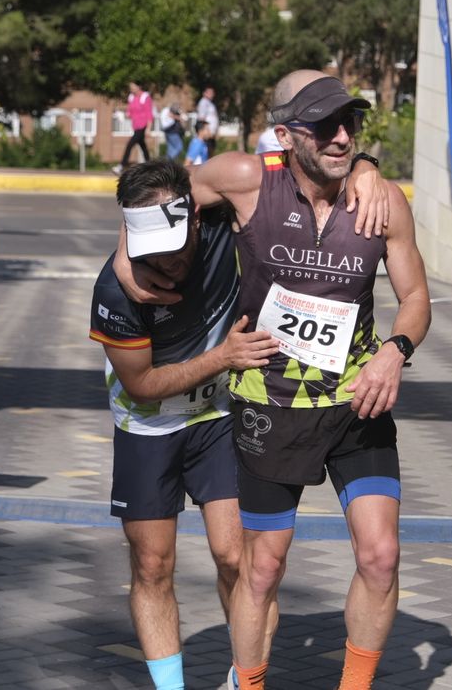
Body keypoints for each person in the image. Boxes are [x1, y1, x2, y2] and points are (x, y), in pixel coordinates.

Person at [120, 70, 429, 690]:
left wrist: (395, 350)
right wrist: (124, 259)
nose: (343, 138)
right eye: (326, 126)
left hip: (355, 400)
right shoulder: (246, 181)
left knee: (381, 555)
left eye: (352, 124)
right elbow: (160, 197)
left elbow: (416, 294)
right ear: (287, 135)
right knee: (262, 569)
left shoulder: (381, 199)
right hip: (269, 403)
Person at [90, 159, 280, 690]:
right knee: (153, 565)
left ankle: (247, 681)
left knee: (238, 556)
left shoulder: (219, 221)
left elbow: (285, 163)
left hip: (220, 416)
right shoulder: (115, 291)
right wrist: (222, 358)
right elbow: (142, 385)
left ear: (195, 217)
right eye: (150, 250)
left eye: (174, 247)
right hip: (148, 426)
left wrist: (359, 172)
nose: (167, 264)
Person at [115, 82, 153, 172]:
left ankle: (122, 165)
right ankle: (151, 167)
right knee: (143, 146)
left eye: (133, 86)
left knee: (130, 144)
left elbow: (149, 113)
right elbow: (130, 112)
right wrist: (122, 115)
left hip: (142, 126)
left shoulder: (145, 97)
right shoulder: (131, 97)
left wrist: (148, 128)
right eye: (130, 86)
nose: (131, 88)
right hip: (135, 126)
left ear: (139, 86)